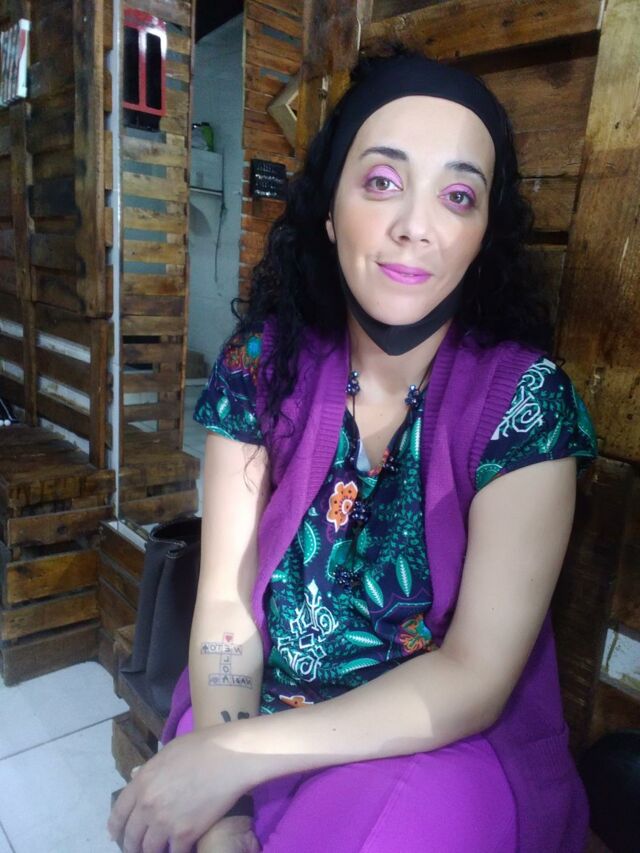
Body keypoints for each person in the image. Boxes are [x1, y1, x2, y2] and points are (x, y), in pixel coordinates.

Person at [108, 50, 598, 853]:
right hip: (250, 706)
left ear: (483, 234)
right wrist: (225, 803)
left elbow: (473, 676)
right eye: (382, 181)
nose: (416, 225)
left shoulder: (523, 404)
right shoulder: (261, 369)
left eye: (458, 195)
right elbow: (226, 610)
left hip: (431, 744)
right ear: (331, 209)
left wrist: (231, 758)